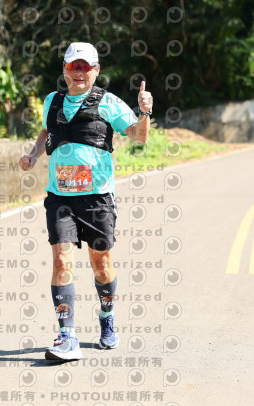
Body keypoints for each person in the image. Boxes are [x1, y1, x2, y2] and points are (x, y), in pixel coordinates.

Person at [18, 42, 153, 361]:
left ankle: (107, 317)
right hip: (60, 198)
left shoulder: (108, 102)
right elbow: (46, 132)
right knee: (61, 262)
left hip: (97, 199)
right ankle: (67, 336)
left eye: (85, 67)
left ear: (96, 70)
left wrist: (145, 112)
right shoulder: (52, 101)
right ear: (65, 69)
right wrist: (33, 154)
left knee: (101, 265)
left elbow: (139, 136)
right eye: (73, 66)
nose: (79, 72)